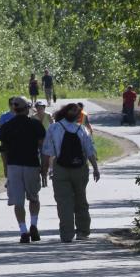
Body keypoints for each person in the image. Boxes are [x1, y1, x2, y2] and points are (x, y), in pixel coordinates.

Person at [42, 102, 100, 242]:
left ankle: (67, 234)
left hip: (60, 168)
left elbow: (47, 152)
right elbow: (89, 150)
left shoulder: (54, 128)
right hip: (80, 168)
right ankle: (82, 231)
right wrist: (95, 168)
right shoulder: (82, 129)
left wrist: (44, 171)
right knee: (80, 199)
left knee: (64, 202)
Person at [0, 96, 47, 243]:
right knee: (34, 198)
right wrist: (44, 167)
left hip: (14, 166)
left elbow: (3, 150)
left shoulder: (7, 126)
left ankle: (23, 231)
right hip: (31, 165)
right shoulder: (36, 125)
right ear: (27, 109)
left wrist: (5, 167)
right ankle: (34, 224)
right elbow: (42, 147)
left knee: (18, 202)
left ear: (14, 109)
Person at [0, 97, 17, 178]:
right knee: (5, 163)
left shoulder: (21, 115)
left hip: (18, 143)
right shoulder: (4, 116)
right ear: (9, 105)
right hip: (5, 143)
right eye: (11, 104)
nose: (13, 106)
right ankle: (8, 180)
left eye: (15, 104)